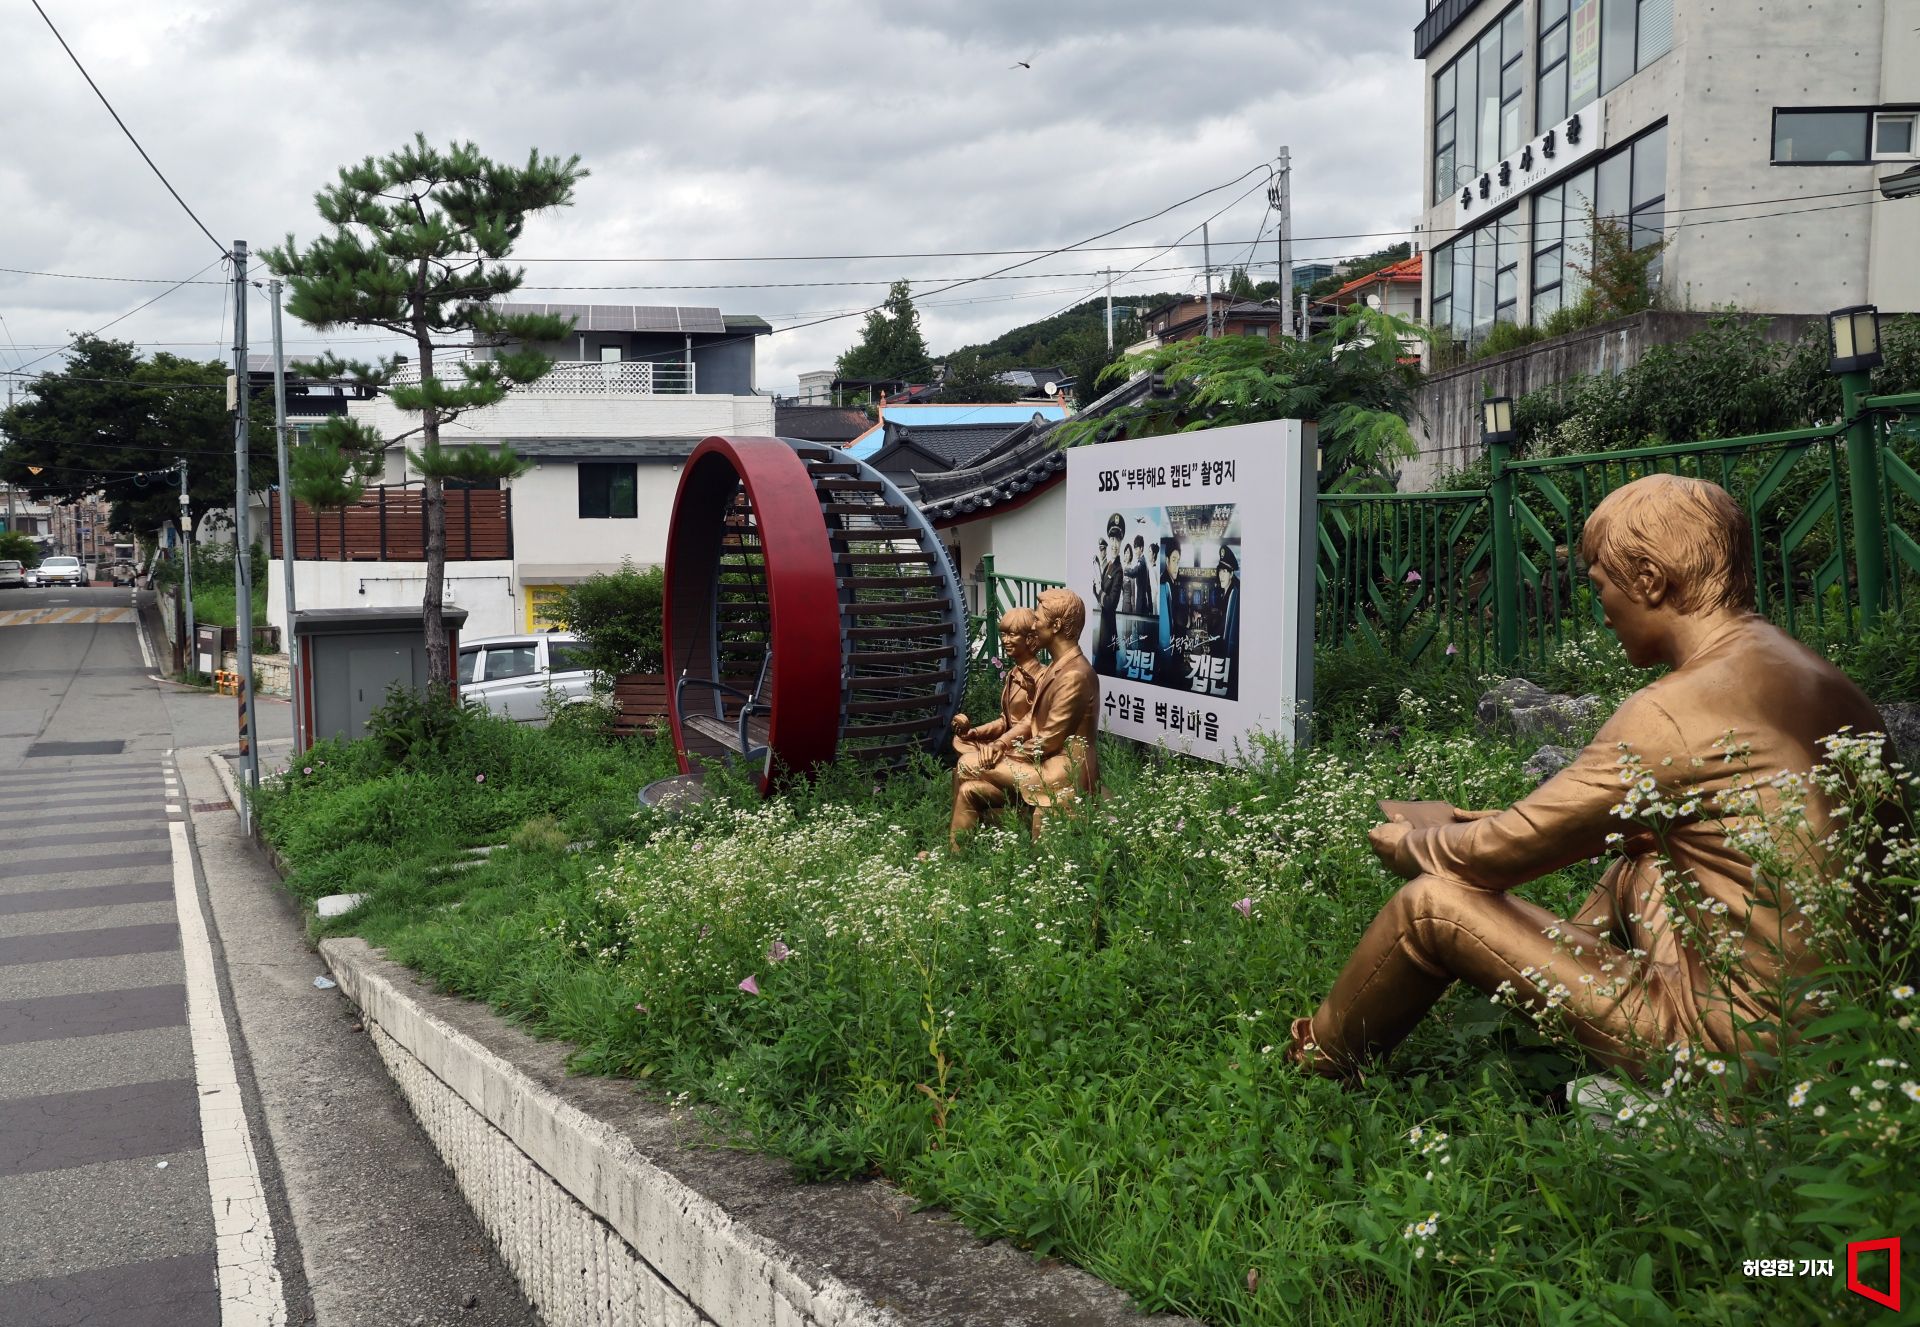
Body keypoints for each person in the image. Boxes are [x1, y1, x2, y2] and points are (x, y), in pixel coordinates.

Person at [1289, 474, 1887, 1082]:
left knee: (1431, 907)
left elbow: (1496, 859)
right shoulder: (1810, 673)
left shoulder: (1672, 712)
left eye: (1600, 585)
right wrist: (1477, 824)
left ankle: (1318, 1060)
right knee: (1644, 857)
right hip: (1853, 1026)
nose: (1600, 609)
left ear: (1650, 581)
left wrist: (1414, 844)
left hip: (1743, 1047)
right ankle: (1538, 981)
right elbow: (1565, 823)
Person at [949, 588, 1100, 848]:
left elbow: (1048, 740)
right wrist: (999, 745)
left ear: (1056, 626)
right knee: (968, 787)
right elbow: (1031, 719)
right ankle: (958, 858)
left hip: (1062, 771)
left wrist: (1002, 755)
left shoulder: (1075, 674)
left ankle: (994, 837)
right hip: (1044, 762)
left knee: (967, 764)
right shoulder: (1058, 666)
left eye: (1038, 619)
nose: (1034, 625)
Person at [951, 607, 1042, 766]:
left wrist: (1000, 743)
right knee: (961, 740)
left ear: (1029, 638)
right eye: (1004, 634)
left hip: (1025, 748)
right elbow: (1005, 721)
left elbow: (1032, 723)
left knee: (968, 763)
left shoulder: (1041, 676)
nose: (1005, 640)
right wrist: (975, 732)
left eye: (1012, 635)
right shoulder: (1012, 674)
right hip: (1006, 741)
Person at [1094, 514, 1125, 673]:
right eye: (1112, 539)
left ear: (1121, 543)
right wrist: (1095, 584)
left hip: (1108, 632)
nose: (1114, 544)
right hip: (1103, 630)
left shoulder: (1119, 570)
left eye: (1117, 540)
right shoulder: (1108, 566)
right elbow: (1098, 590)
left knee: (1107, 672)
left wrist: (1099, 590)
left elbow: (1111, 603)